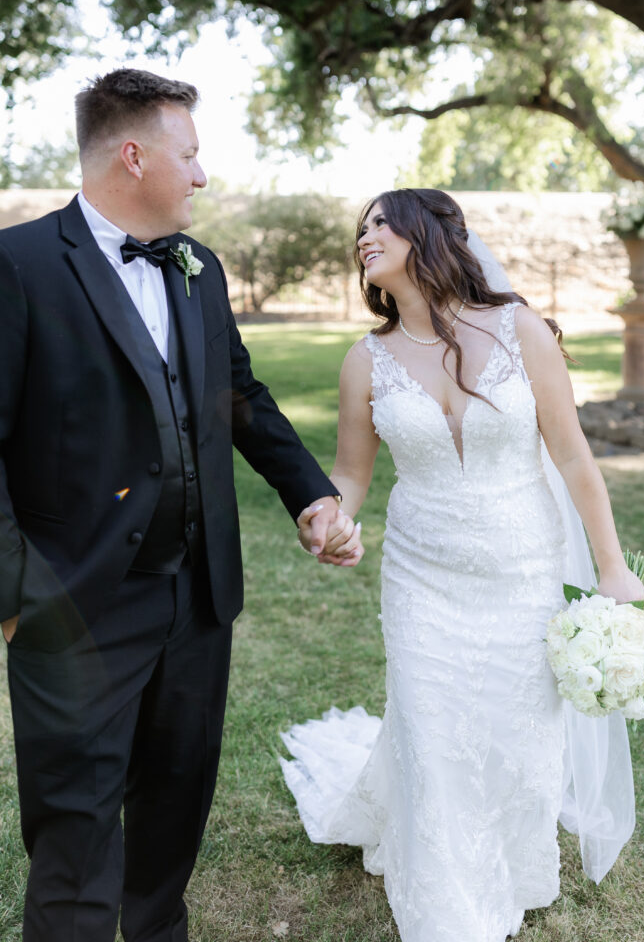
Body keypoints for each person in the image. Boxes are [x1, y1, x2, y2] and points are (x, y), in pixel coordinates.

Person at [0, 68, 358, 942]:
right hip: (73, 606)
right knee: (77, 837)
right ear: (133, 155)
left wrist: (309, 493)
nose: (202, 175)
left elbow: (239, 397)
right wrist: (19, 601)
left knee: (174, 807)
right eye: (189, 155)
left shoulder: (200, 269)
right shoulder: (18, 267)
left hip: (198, 597)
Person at [287, 189, 644, 942]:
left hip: (523, 567)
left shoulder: (520, 332)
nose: (364, 237)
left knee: (517, 732)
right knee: (430, 727)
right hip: (421, 573)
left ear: (428, 235)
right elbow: (351, 475)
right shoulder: (366, 359)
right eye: (360, 229)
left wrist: (611, 570)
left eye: (380, 223)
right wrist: (330, 517)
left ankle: (514, 863)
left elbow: (572, 456)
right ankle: (445, 902)